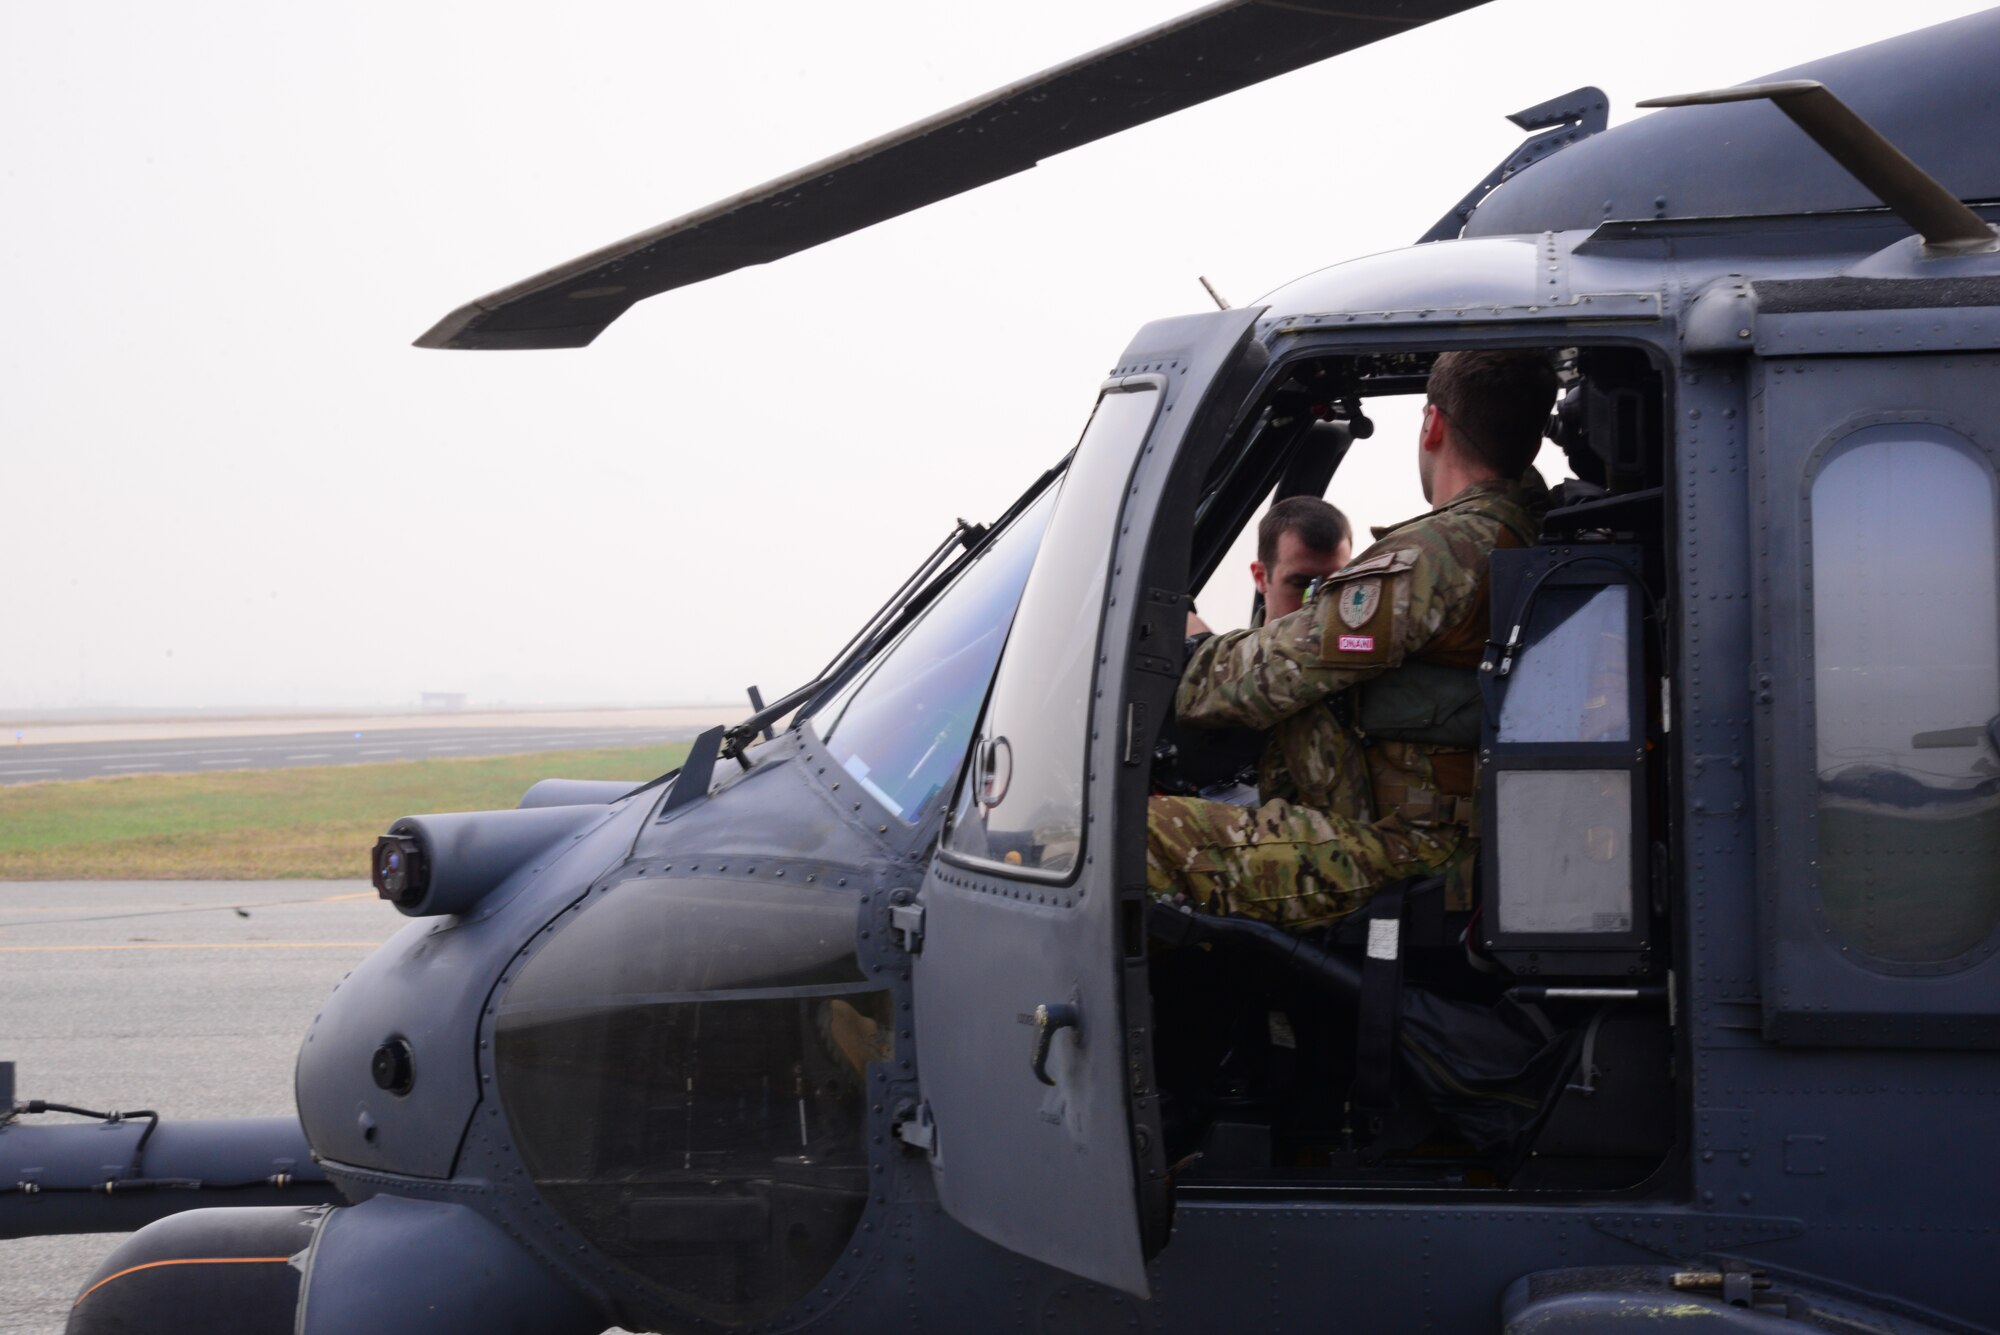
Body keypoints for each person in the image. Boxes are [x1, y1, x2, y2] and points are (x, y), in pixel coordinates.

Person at [1148, 349, 1556, 930]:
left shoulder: (1448, 551)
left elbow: (1258, 680)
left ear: (1432, 423)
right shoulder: (1523, 528)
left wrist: (1189, 646)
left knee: (1135, 836)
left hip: (1412, 848)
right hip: (1458, 837)